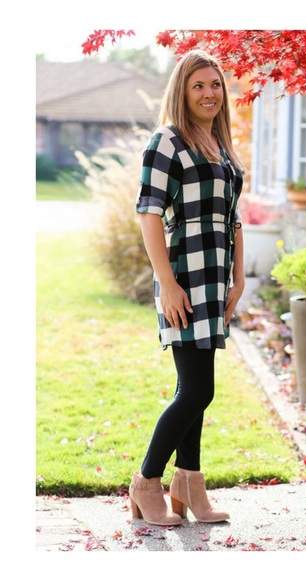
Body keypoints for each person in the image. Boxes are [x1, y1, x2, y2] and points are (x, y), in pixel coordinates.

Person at [130, 49, 246, 526]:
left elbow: (233, 218)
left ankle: (189, 485)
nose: (209, 93)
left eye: (215, 84)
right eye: (198, 85)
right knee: (197, 390)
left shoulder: (221, 145)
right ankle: (146, 481)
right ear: (182, 91)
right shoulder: (168, 141)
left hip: (215, 278)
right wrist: (167, 283)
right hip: (184, 276)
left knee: (194, 387)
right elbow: (149, 213)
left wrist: (239, 278)